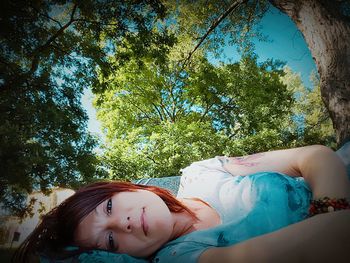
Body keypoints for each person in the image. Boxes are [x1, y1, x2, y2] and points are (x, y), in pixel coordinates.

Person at [13, 144, 350, 263]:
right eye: (111, 241)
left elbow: (314, 156)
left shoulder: (203, 172)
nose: (123, 224)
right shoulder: (182, 256)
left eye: (110, 209)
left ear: (126, 188)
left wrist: (331, 207)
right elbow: (329, 243)